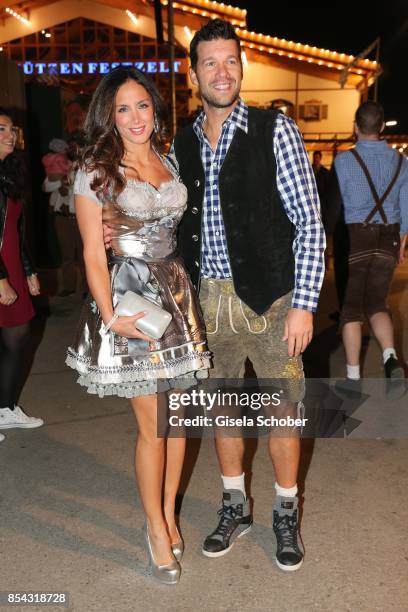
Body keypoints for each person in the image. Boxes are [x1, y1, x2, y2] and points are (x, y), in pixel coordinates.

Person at [173, 19, 325, 571]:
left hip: (272, 300)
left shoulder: (274, 130)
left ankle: (286, 511)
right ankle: (235, 504)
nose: (222, 71)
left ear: (242, 67)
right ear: (194, 75)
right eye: (210, 63)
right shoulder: (183, 140)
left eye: (231, 61)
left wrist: (305, 302)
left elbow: (308, 222)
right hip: (205, 302)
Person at [65, 67, 211, 584]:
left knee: (178, 422)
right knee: (153, 426)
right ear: (109, 115)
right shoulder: (96, 170)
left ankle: (169, 513)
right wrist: (110, 318)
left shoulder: (166, 159)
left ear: (155, 109)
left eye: (142, 106)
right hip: (132, 299)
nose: (135, 117)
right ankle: (154, 528)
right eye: (123, 108)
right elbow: (90, 251)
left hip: (176, 297)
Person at [332, 101, 407, 399]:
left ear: (355, 127)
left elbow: (335, 206)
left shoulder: (343, 161)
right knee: (378, 304)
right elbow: (406, 209)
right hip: (388, 239)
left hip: (356, 239)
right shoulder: (401, 162)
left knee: (351, 310)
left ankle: (353, 379)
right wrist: (400, 244)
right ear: (381, 127)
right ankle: (391, 357)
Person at [0, 108, 44, 438]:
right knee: (12, 338)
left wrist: (27, 270)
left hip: (11, 264)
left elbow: (14, 229)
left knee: (18, 336)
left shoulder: (9, 171)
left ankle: (4, 408)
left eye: (12, 129)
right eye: (1, 129)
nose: (10, 134)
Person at [43, 136, 87, 297]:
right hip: (62, 218)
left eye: (78, 148)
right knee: (66, 255)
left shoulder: (88, 167)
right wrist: (61, 183)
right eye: (72, 148)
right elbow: (46, 186)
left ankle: (87, 289)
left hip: (82, 218)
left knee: (85, 256)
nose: (75, 151)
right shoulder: (59, 164)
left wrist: (70, 186)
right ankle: (69, 286)